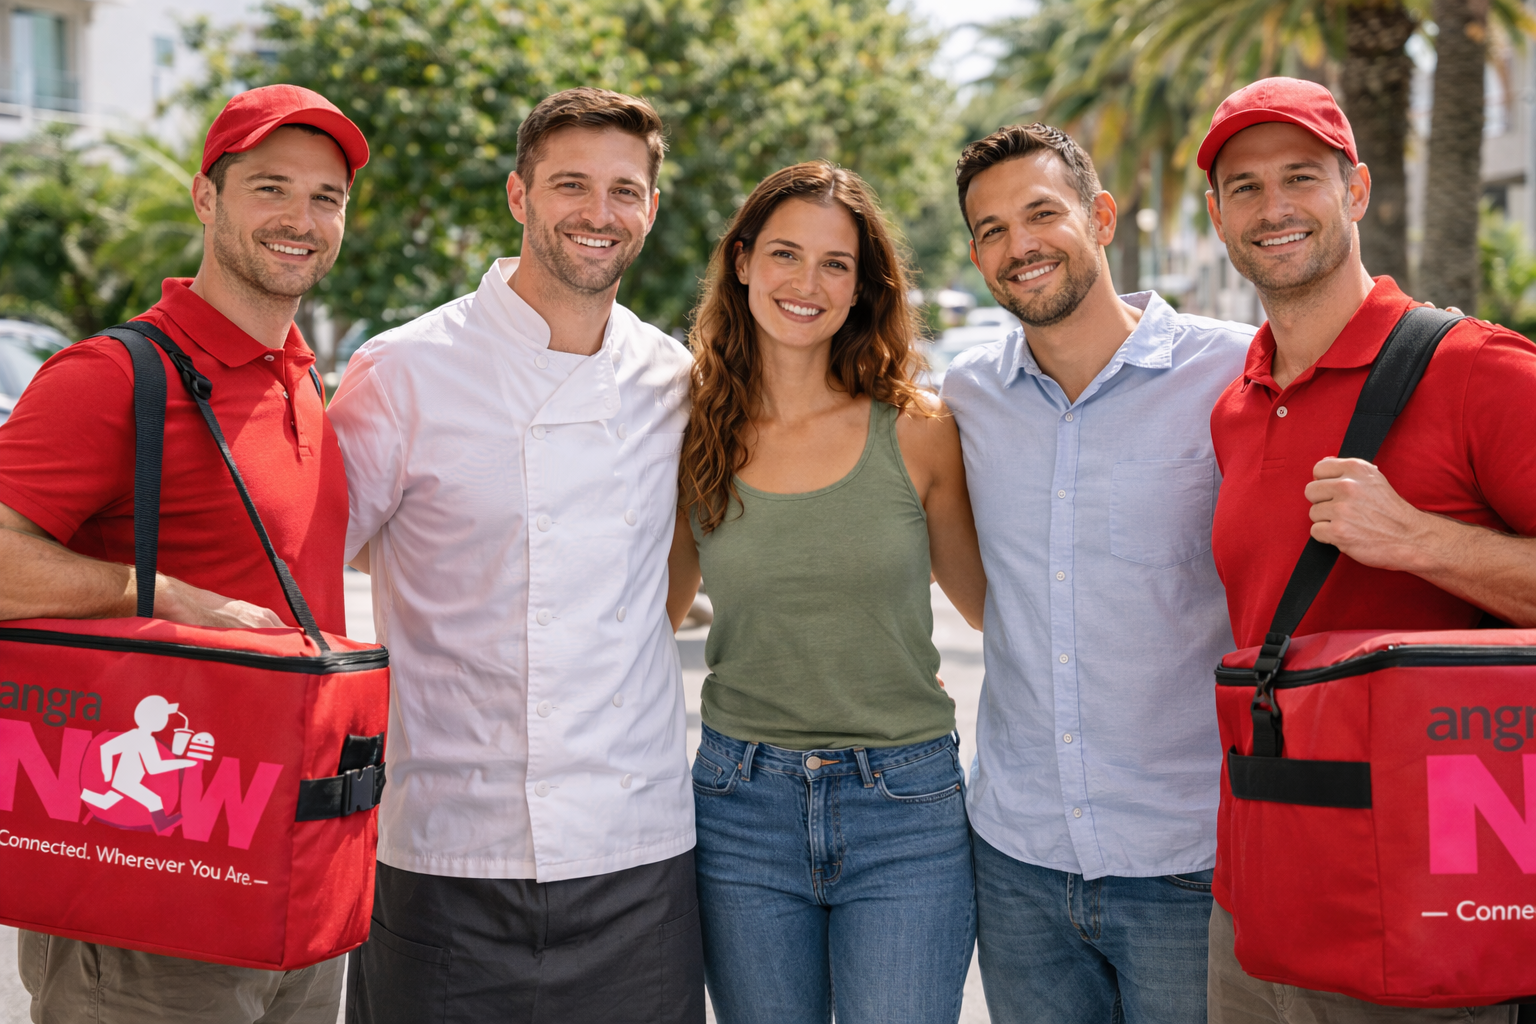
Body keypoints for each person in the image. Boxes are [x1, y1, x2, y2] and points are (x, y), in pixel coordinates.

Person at [328, 87, 703, 1024]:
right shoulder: (404, 371)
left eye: (625, 190)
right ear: (518, 196)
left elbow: (667, 576)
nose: (598, 212)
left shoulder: (676, 379)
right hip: (448, 858)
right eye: (570, 184)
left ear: (650, 210)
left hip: (638, 857)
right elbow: (308, 571)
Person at [0, 84, 367, 1023]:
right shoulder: (114, 376)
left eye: (325, 197)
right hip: (149, 886)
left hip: (293, 874)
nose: (300, 218)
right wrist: (157, 592)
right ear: (206, 199)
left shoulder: (306, 381)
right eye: (270, 188)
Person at [1200, 76, 1536, 1024]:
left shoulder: (1476, 369)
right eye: (1246, 187)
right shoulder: (1235, 402)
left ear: (1356, 190)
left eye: (1301, 177)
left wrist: (1419, 541)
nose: (1274, 209)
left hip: (1432, 898)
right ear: (1219, 216)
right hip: (1262, 887)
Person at [938, 123, 1252, 1023]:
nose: (1018, 245)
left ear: (1101, 216)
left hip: (1191, 861)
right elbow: (978, 587)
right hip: (1018, 860)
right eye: (991, 230)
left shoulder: (1231, 372)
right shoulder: (968, 395)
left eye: (1042, 213)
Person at [668, 160, 987, 1024]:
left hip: (906, 806)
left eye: (835, 264)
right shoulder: (691, 432)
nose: (806, 284)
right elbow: (646, 616)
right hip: (741, 804)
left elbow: (996, 610)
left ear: (861, 288)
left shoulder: (919, 432)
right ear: (741, 262)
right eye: (783, 254)